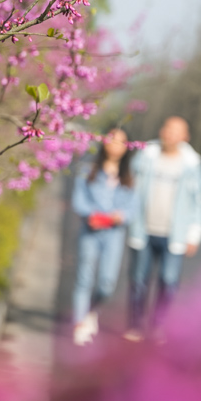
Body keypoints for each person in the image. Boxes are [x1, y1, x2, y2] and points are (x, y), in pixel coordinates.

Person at [125, 116, 201, 339]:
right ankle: (135, 325)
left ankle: (158, 325)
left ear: (185, 137)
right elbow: (128, 183)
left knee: (168, 282)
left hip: (175, 234)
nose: (170, 133)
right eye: (167, 128)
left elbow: (198, 200)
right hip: (143, 229)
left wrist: (194, 234)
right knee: (138, 280)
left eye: (176, 131)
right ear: (162, 131)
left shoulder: (192, 164)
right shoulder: (146, 155)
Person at [71, 127, 135, 346]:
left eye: (121, 141)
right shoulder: (87, 168)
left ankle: (91, 311)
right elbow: (78, 201)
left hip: (114, 234)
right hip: (91, 231)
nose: (115, 145)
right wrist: (92, 215)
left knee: (107, 283)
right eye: (111, 139)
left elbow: (134, 208)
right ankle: (79, 323)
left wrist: (121, 216)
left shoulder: (130, 176)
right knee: (84, 278)